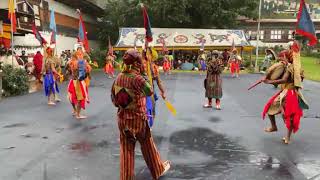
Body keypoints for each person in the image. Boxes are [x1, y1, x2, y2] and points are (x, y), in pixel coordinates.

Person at [111, 49, 170, 180]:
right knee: (148, 146)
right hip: (137, 120)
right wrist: (143, 73)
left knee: (126, 150)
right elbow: (149, 91)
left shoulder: (119, 77)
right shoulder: (138, 78)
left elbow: (114, 100)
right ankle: (157, 170)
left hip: (122, 119)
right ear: (137, 63)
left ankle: (126, 177)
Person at [262, 42, 309, 144]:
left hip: (290, 94)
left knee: (288, 116)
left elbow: (283, 80)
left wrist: (269, 81)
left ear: (286, 57)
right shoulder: (294, 68)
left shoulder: (290, 68)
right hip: (286, 92)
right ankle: (274, 127)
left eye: (282, 57)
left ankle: (287, 137)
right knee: (270, 107)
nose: (280, 60)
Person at [67, 48, 90, 119]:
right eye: (80, 54)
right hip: (78, 82)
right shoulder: (80, 62)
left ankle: (75, 110)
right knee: (80, 98)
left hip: (72, 81)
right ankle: (78, 114)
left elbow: (68, 71)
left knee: (72, 97)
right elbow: (84, 72)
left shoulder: (70, 62)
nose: (81, 55)